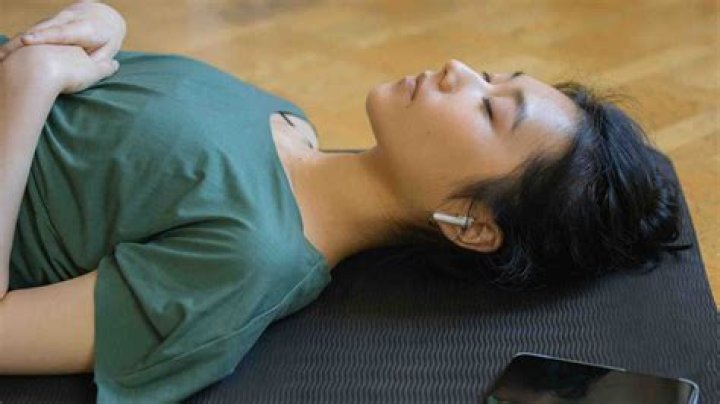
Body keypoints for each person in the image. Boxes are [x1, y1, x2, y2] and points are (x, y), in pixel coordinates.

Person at [0, 1, 687, 402]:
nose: (458, 71)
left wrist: (29, 85)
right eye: (490, 75)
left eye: (489, 109)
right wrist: (103, 26)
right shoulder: (288, 120)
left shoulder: (246, 261)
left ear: (474, 225)